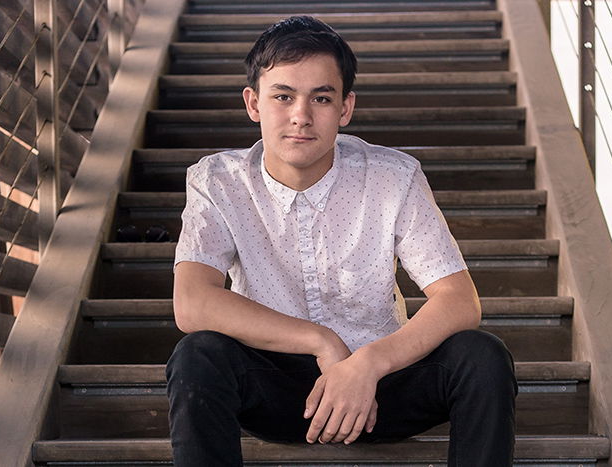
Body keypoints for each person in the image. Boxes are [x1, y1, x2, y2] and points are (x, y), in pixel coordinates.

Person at [167, 15, 517, 467]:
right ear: (253, 103)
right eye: (283, 96)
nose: (301, 116)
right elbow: (192, 302)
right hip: (277, 390)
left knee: (482, 355)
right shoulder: (217, 181)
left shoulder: (394, 177)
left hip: (381, 389)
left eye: (322, 98)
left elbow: (459, 300)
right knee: (198, 356)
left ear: (345, 108)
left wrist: (366, 364)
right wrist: (321, 342)